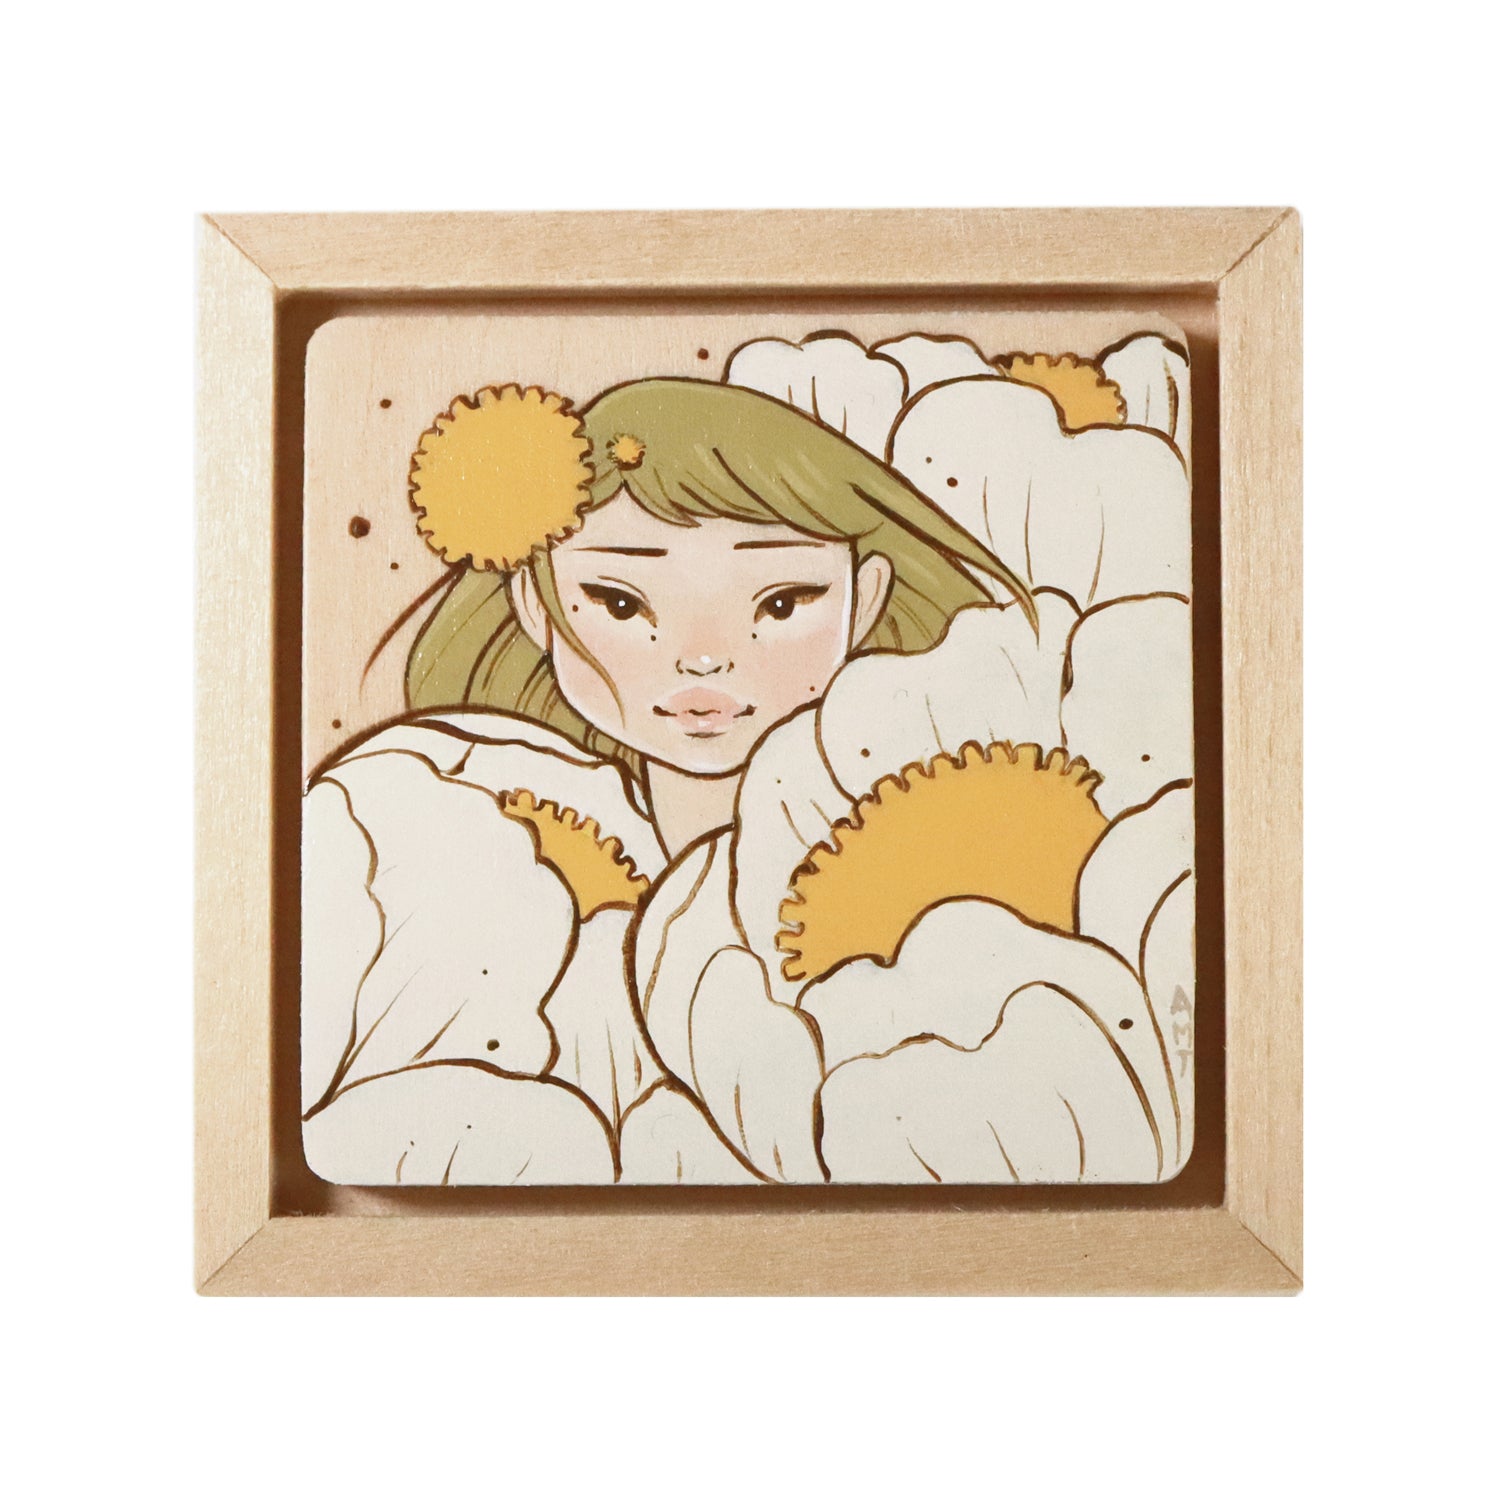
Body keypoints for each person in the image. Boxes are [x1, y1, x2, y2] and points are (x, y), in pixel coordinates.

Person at [300, 376, 1178, 1187]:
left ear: (867, 598)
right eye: (620, 602)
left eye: (782, 601)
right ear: (536, 605)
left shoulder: (956, 841)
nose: (703, 656)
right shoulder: (476, 853)